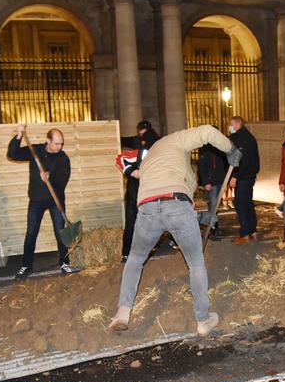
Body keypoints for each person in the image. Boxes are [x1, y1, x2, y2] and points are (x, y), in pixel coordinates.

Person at [108, 125, 242, 336]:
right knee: (196, 263)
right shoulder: (176, 140)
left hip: (147, 208)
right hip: (175, 205)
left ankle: (122, 312)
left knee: (135, 259)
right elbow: (207, 131)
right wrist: (230, 149)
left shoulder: (153, 157)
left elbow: (169, 201)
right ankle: (203, 320)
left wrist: (201, 217)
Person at [7, 124, 77, 278]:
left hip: (55, 200)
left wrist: (50, 176)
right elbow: (13, 154)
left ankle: (64, 263)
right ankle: (26, 265)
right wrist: (18, 135)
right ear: (48, 141)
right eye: (56, 143)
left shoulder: (63, 158)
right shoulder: (35, 151)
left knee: (61, 232)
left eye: (61, 143)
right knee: (31, 233)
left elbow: (63, 180)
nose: (59, 146)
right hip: (36, 200)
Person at [118, 120, 160, 261]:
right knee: (132, 221)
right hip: (135, 190)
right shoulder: (139, 148)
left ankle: (145, 250)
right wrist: (132, 171)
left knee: (149, 222)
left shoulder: (156, 145)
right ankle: (126, 252)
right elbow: (121, 159)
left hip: (150, 190)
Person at [228, 115, 260, 244]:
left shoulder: (240, 138)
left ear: (237, 124)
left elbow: (240, 160)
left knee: (241, 205)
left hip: (243, 177)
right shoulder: (249, 136)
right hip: (250, 176)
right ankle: (253, 231)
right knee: (248, 204)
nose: (230, 127)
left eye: (231, 124)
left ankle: (245, 233)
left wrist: (235, 176)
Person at [197, 143, 228, 238]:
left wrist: (225, 180)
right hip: (212, 183)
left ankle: (214, 225)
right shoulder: (205, 149)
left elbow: (223, 164)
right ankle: (211, 227)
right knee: (213, 204)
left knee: (216, 205)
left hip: (219, 182)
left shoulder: (219, 148)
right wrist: (206, 182)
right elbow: (202, 167)